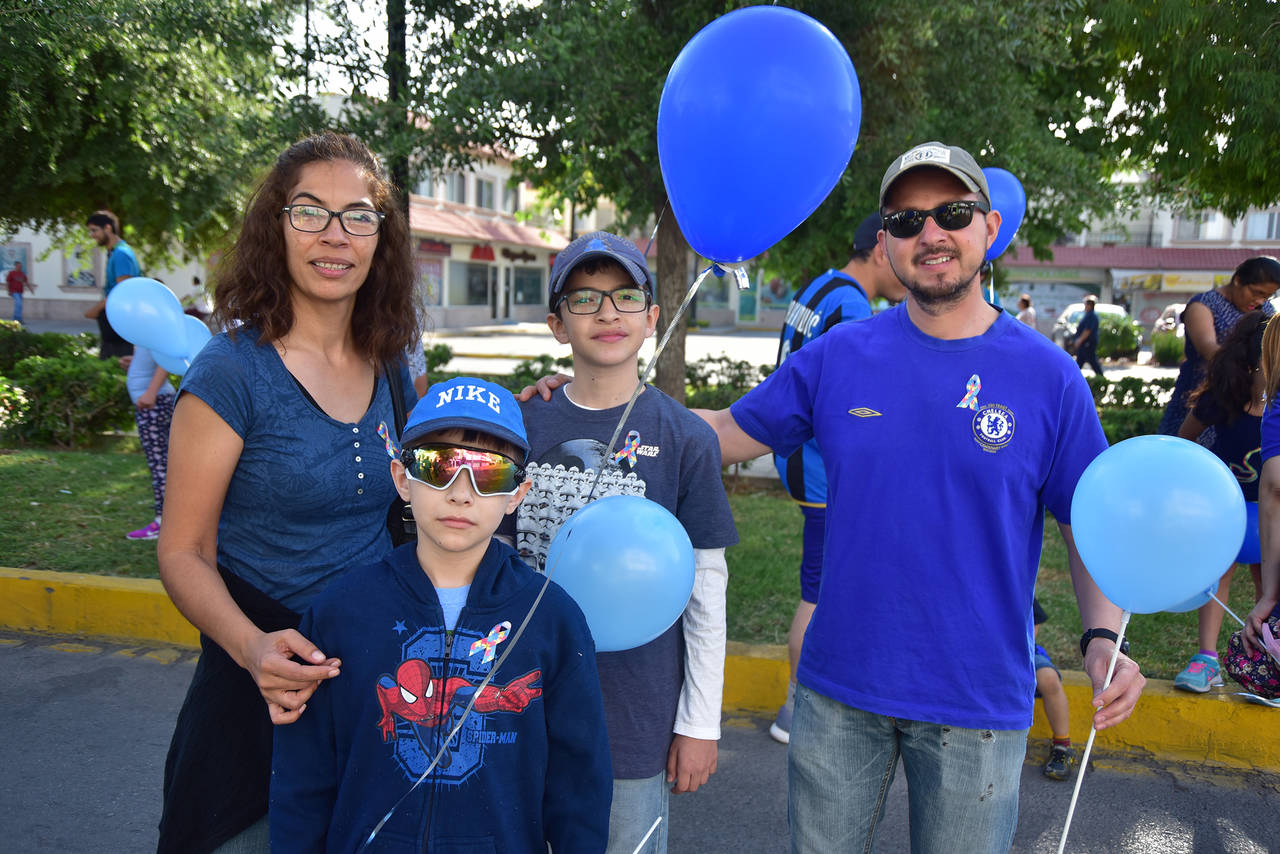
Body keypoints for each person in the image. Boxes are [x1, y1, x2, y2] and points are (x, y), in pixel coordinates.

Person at [695, 141, 1145, 853]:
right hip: (838, 691)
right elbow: (722, 432)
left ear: (989, 228)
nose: (930, 233)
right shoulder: (839, 356)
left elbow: (1085, 523)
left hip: (977, 700)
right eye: (906, 220)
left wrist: (1102, 640)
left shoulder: (1051, 377)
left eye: (952, 214)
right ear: (886, 243)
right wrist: (594, 402)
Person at [154, 131, 420, 853]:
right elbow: (183, 551)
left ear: (380, 238)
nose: (335, 235)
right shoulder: (231, 373)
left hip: (369, 684)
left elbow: (428, 481)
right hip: (253, 695)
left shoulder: (390, 364)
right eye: (310, 212)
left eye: (358, 215)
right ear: (277, 226)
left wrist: (542, 401)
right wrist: (251, 648)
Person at [270, 376, 612, 852]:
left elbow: (580, 779)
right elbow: (304, 773)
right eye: (439, 465)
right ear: (402, 479)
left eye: (489, 473)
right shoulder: (341, 610)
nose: (461, 492)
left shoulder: (552, 618)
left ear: (517, 493)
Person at [507, 230, 737, 854]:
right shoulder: (521, 424)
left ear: (652, 317)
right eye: (584, 299)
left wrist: (699, 722)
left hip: (633, 717)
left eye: (626, 296)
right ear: (558, 326)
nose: (607, 312)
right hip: (520, 700)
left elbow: (706, 589)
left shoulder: (686, 438)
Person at [769, 212, 907, 744]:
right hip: (821, 470)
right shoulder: (853, 307)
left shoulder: (821, 286)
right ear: (880, 250)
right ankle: (794, 709)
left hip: (796, 455)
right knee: (819, 593)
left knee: (823, 586)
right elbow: (855, 403)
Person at [1174, 311, 1269, 693]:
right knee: (1217, 578)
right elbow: (1184, 441)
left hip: (1272, 514)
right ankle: (1207, 659)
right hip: (1227, 511)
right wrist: (1199, 485)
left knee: (1270, 584)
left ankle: (1266, 661)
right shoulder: (1223, 399)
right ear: (1253, 362)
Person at [1158, 256, 1280, 437]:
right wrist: (1247, 366)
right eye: (1256, 292)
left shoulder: (1266, 310)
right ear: (1238, 280)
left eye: (1267, 296)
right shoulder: (1203, 305)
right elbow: (1208, 348)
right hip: (1202, 395)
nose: (1261, 301)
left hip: (1244, 401)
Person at [123, 344, 176, 540]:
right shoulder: (143, 333)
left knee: (160, 464)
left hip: (154, 403)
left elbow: (165, 359)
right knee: (161, 463)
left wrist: (151, 392)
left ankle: (163, 523)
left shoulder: (154, 329)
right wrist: (136, 363)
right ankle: (167, 521)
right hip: (154, 401)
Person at [83, 210, 140, 360]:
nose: (92, 235)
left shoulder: (121, 253)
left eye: (94, 230)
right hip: (115, 325)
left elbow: (123, 291)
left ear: (108, 228)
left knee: (114, 366)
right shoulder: (115, 252)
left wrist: (95, 310)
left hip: (120, 325)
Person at [1032, 597, 1074, 780]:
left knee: (1048, 679)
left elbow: (1035, 620)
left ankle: (1062, 745)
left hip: (1021, 650)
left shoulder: (1013, 586)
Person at [1072, 294, 1105, 376]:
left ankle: (1101, 378)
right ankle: (1073, 377)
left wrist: (1079, 340)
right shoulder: (1088, 315)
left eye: (1086, 305)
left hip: (1087, 343)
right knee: (1080, 362)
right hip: (1085, 344)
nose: (1085, 307)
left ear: (1090, 305)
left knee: (1092, 361)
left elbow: (1087, 330)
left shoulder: (1091, 316)